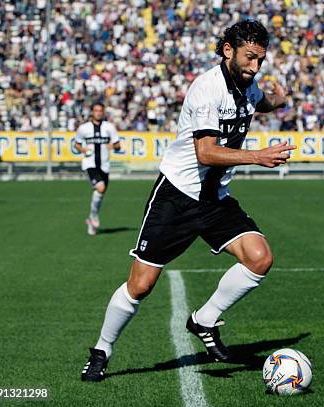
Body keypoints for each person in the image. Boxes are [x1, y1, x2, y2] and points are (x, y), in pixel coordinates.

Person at [81, 20, 294, 382]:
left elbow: (262, 103)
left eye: (261, 59)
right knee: (141, 285)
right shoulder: (207, 89)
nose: (255, 67)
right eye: (249, 58)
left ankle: (204, 320)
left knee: (260, 258)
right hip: (177, 197)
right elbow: (207, 152)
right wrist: (258, 157)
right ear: (228, 49)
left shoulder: (247, 84)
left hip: (214, 200)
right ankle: (101, 350)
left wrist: (280, 99)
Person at [74, 103, 121, 235]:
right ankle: (94, 217)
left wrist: (112, 147)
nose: (98, 113)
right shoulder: (84, 128)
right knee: (100, 187)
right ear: (92, 112)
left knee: (101, 192)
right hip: (90, 164)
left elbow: (118, 145)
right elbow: (76, 145)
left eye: (100, 111)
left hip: (104, 165)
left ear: (103, 112)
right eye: (96, 111)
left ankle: (91, 218)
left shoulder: (109, 127)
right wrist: (83, 150)